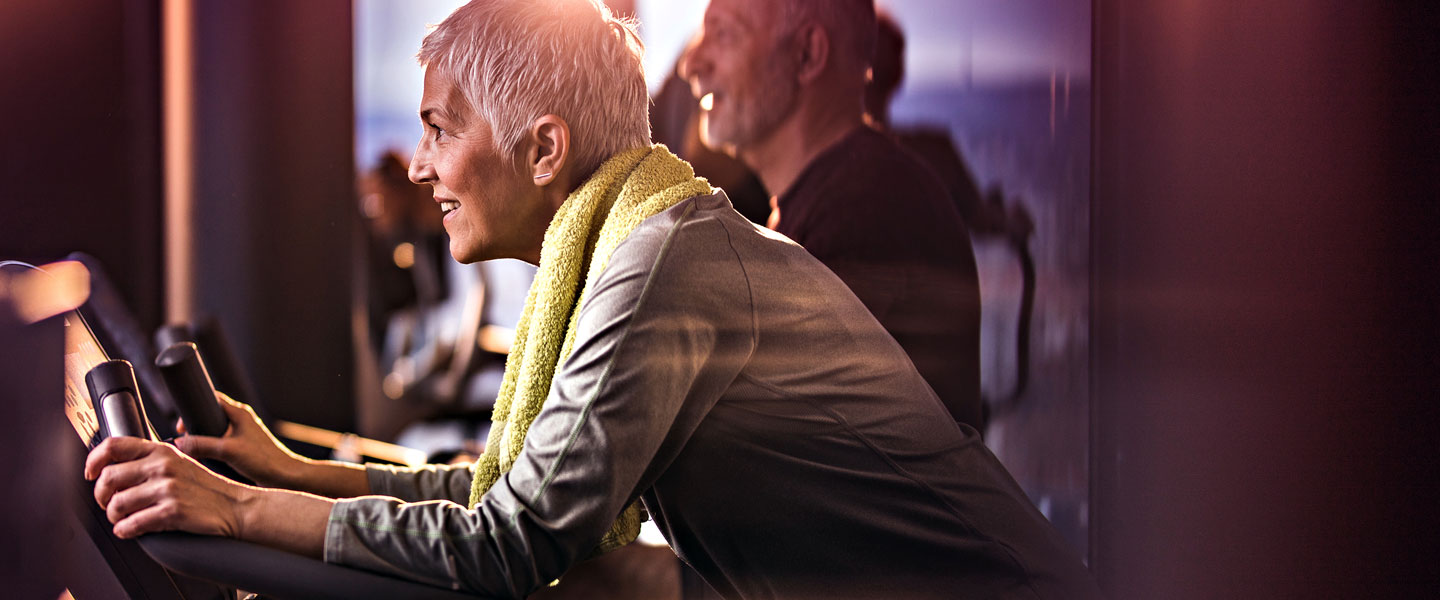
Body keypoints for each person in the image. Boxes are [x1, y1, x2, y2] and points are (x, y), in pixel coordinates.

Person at [84, 0, 1100, 598]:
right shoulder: (647, 247)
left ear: (543, 150)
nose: (422, 166)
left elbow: (509, 542)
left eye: (441, 129)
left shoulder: (661, 267)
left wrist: (239, 509)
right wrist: (293, 474)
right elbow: (505, 495)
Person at [682, 0, 984, 430]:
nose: (691, 64)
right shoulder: (845, 200)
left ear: (807, 54)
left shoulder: (863, 221)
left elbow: (774, 438)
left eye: (723, 33)